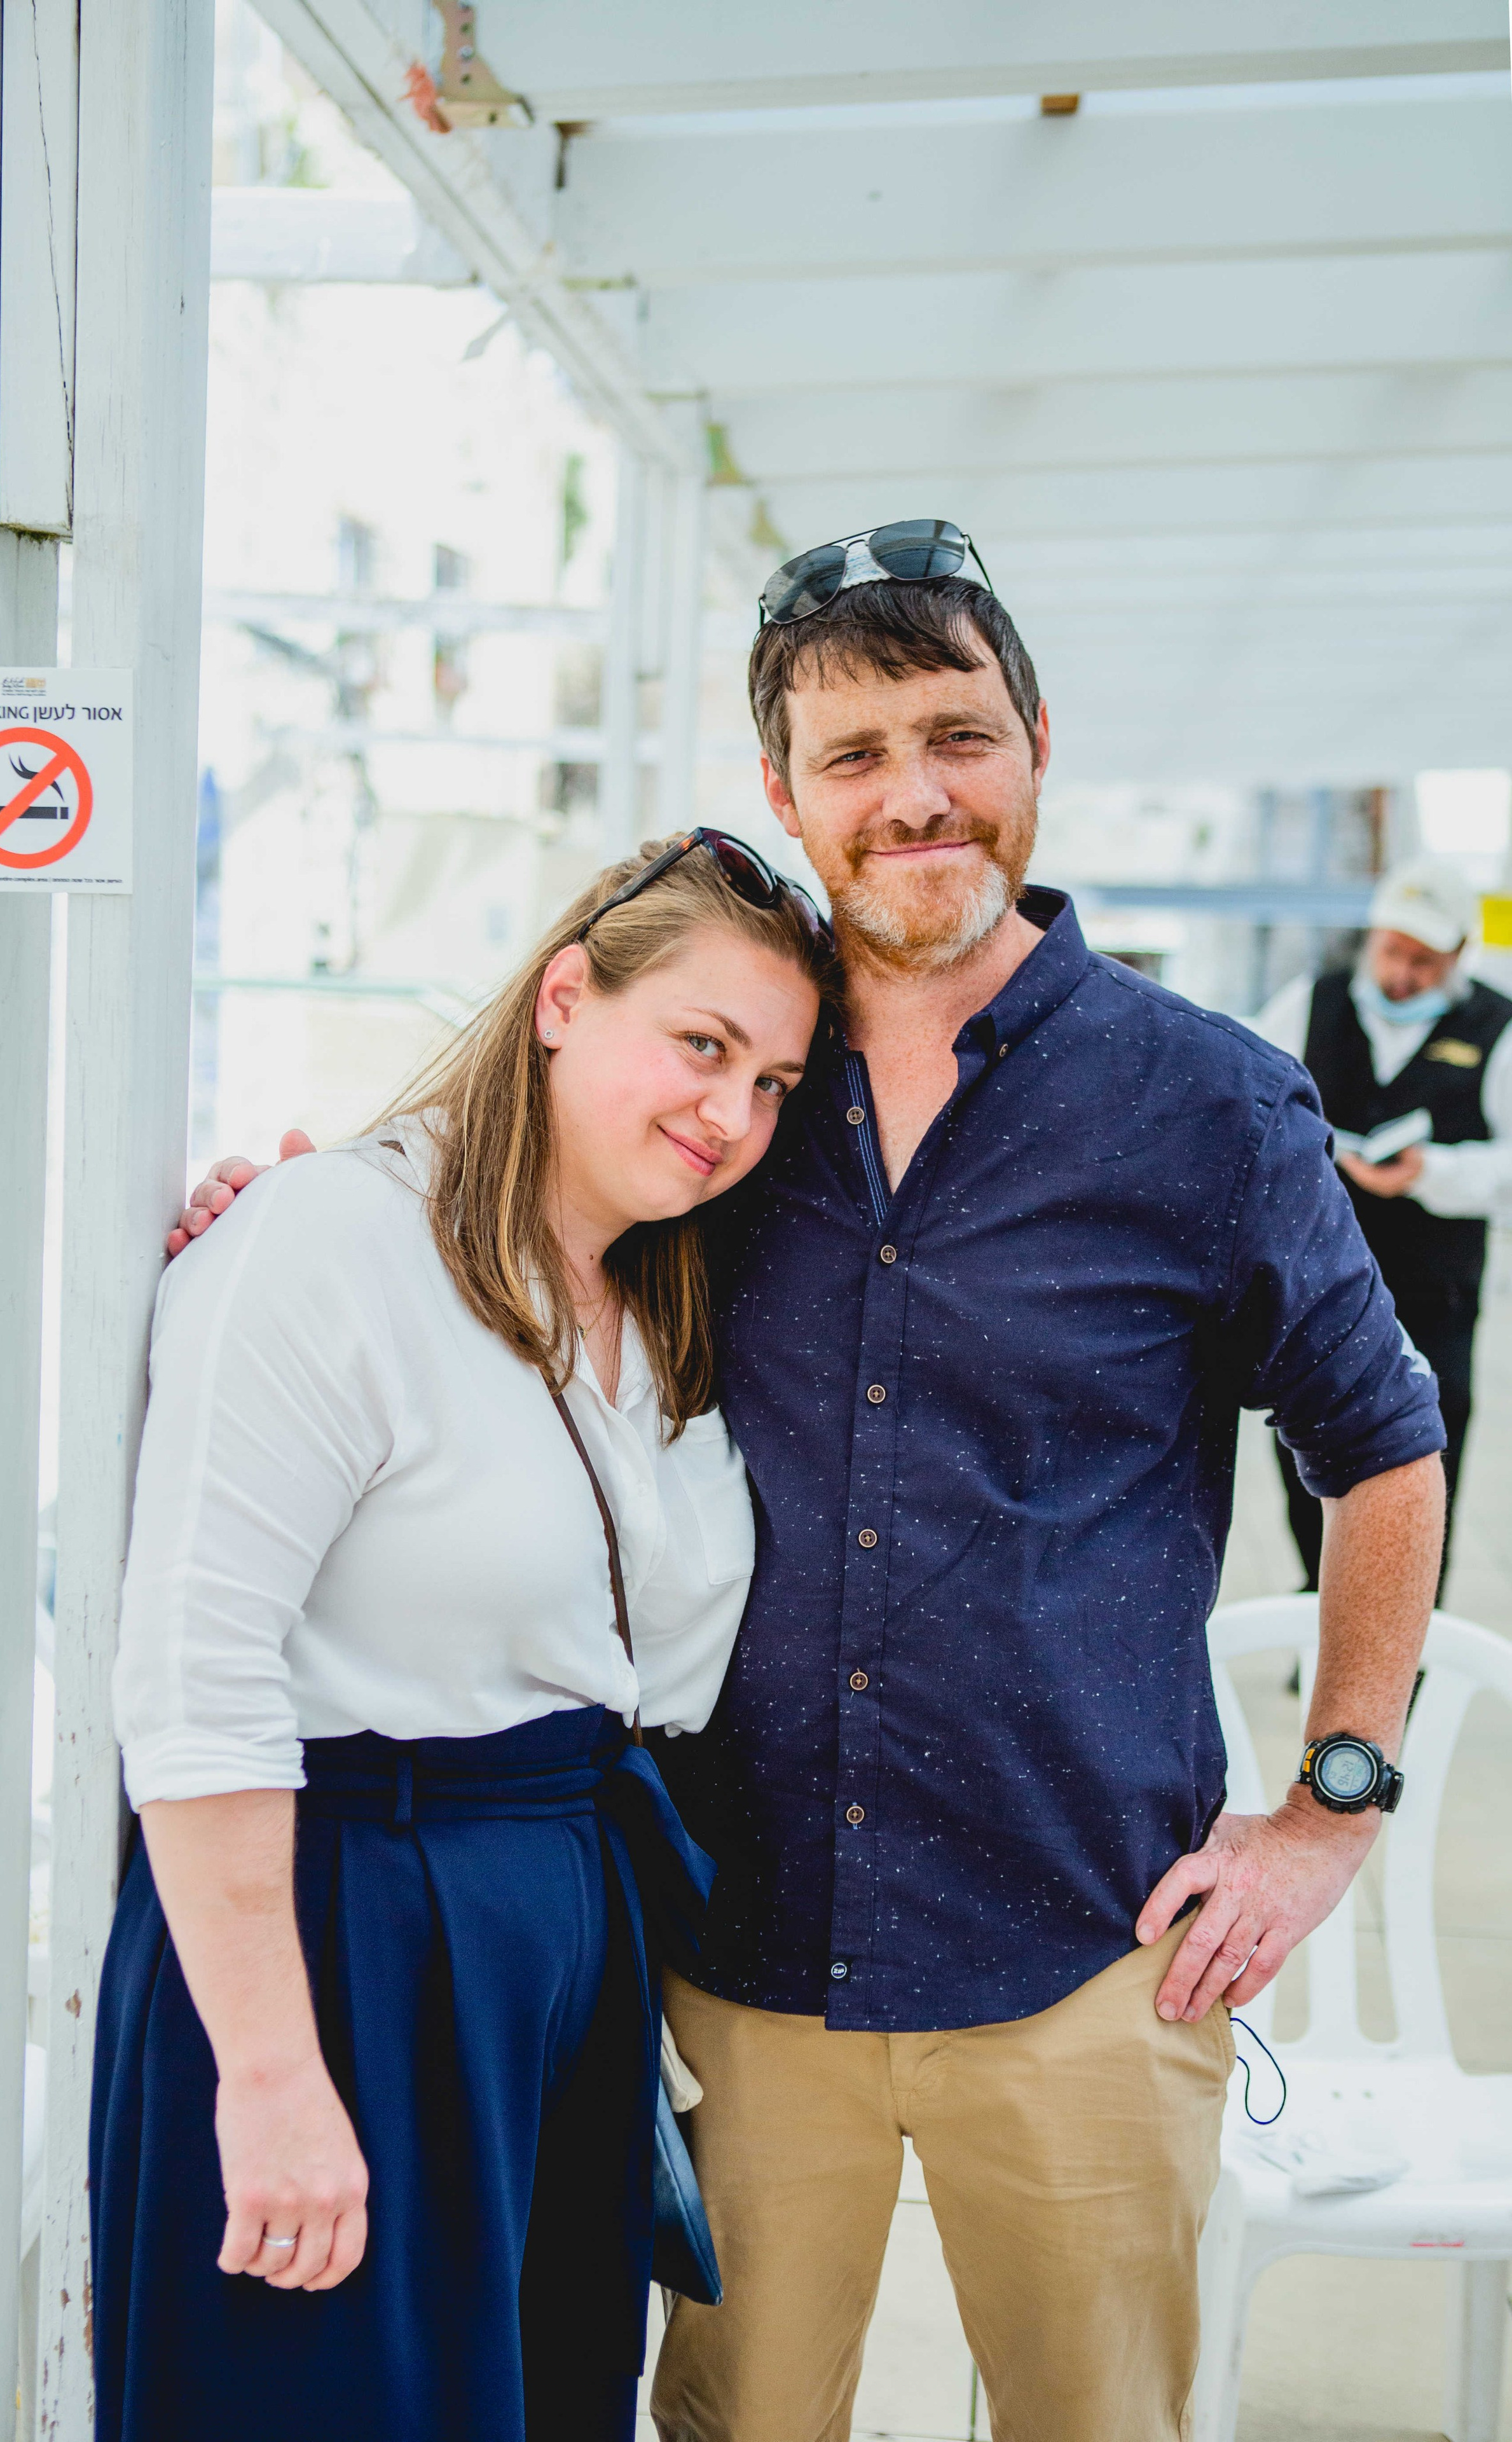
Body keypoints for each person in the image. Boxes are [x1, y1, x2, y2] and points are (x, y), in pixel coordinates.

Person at [175, 519, 1446, 2442]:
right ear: (782, 789)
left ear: (1034, 742)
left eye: (955, 734)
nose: (912, 795)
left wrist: (1329, 1802)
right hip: (735, 1962)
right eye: (852, 756)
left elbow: (1381, 1440)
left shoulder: (1207, 1104)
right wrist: (272, 1206)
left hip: (1091, 1955)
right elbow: (481, 1222)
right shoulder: (724, 1087)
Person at [92, 838, 834, 2442]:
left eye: (773, 1080)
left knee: (538, 2402)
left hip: (560, 1917)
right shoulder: (327, 1242)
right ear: (564, 994)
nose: (733, 1116)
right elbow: (193, 1676)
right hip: (346, 1920)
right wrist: (275, 2075)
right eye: (701, 1046)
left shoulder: (660, 1290)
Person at [1255, 855, 1512, 1591]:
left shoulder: (1496, 1028)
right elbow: (1255, 1120)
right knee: (1308, 1464)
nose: (1403, 973)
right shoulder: (1309, 1004)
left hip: (1435, 1299)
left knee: (1426, 1470)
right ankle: (1319, 1625)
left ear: (1459, 957)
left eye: (1424, 961)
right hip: (1313, 1295)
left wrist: (1433, 1172)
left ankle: (1409, 1654)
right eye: (1393, 951)